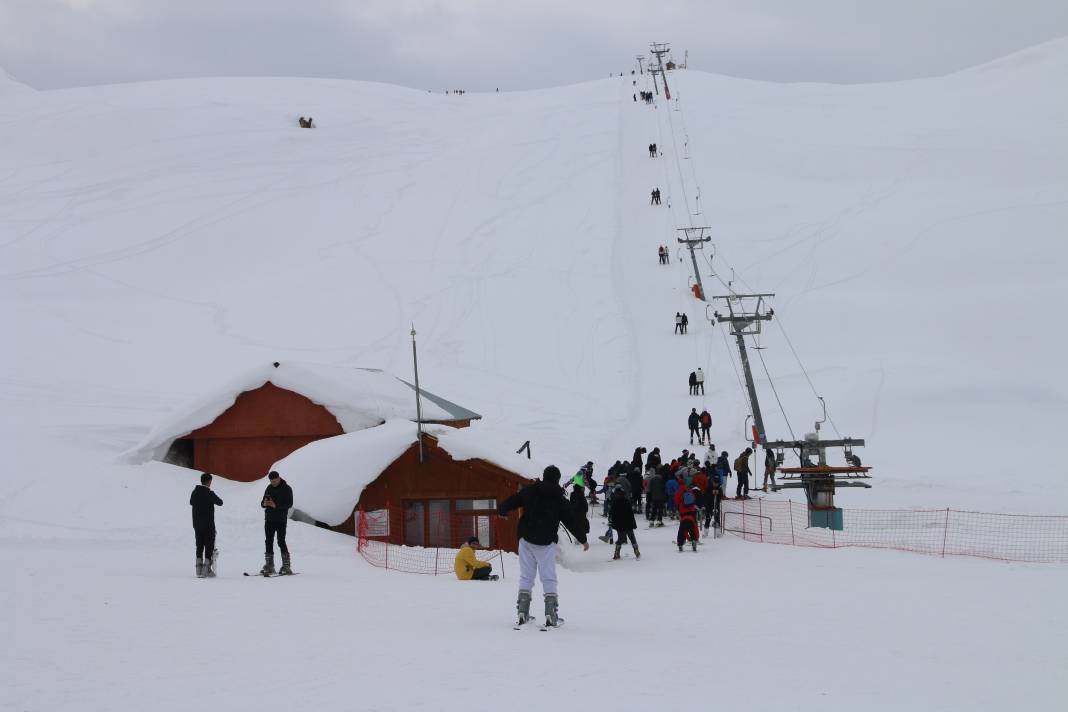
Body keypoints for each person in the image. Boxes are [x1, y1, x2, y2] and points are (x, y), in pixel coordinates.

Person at [498, 466, 589, 628]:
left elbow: (514, 500)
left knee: (526, 576)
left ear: (544, 476)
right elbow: (571, 521)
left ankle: (522, 612)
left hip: (526, 538)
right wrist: (583, 539)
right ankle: (550, 614)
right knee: (548, 577)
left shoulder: (530, 490)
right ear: (558, 479)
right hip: (546, 542)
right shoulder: (560, 499)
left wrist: (503, 510)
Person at [260, 471, 294, 575]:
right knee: (268, 541)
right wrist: (264, 503)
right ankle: (270, 565)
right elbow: (262, 503)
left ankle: (286, 566)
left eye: (274, 481)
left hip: (281, 520)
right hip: (269, 519)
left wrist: (276, 505)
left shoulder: (287, 488)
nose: (273, 483)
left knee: (281, 541)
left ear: (279, 478)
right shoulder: (269, 488)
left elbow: (289, 503)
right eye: (271, 481)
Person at [190, 472, 223, 578]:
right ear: (209, 482)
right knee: (209, 545)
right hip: (208, 524)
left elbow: (191, 502)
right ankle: (206, 570)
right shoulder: (209, 493)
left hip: (197, 524)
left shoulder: (195, 492)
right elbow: (220, 502)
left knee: (199, 545)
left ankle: (198, 570)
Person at [608, 485, 640, 560]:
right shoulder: (626, 501)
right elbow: (631, 514)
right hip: (628, 523)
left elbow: (612, 514)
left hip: (620, 524)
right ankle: (636, 550)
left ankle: (617, 553)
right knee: (632, 537)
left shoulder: (615, 502)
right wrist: (633, 524)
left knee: (621, 538)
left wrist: (613, 523)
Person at [676, 485, 700, 551]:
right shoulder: (690, 491)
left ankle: (680, 544)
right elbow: (694, 500)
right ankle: (694, 541)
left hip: (683, 513)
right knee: (692, 528)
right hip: (691, 512)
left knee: (682, 529)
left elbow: (677, 502)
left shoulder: (678, 492)